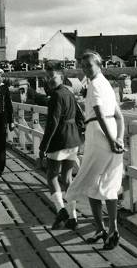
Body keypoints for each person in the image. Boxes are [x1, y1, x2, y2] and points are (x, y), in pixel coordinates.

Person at [65, 51, 125, 250]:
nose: (85, 68)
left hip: (98, 132)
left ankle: (103, 228)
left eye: (89, 65)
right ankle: (110, 228)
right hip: (111, 130)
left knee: (90, 179)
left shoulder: (95, 84)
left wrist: (111, 139)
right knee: (109, 182)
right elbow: (119, 116)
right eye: (82, 65)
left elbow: (98, 112)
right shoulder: (107, 85)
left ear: (99, 65)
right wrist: (118, 137)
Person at [39, 66, 84, 230]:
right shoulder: (69, 93)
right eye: (47, 77)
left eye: (52, 76)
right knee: (67, 178)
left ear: (61, 77)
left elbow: (53, 123)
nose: (49, 80)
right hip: (73, 140)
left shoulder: (55, 95)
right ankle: (73, 217)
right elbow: (80, 116)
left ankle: (61, 210)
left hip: (59, 140)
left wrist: (43, 146)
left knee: (51, 176)